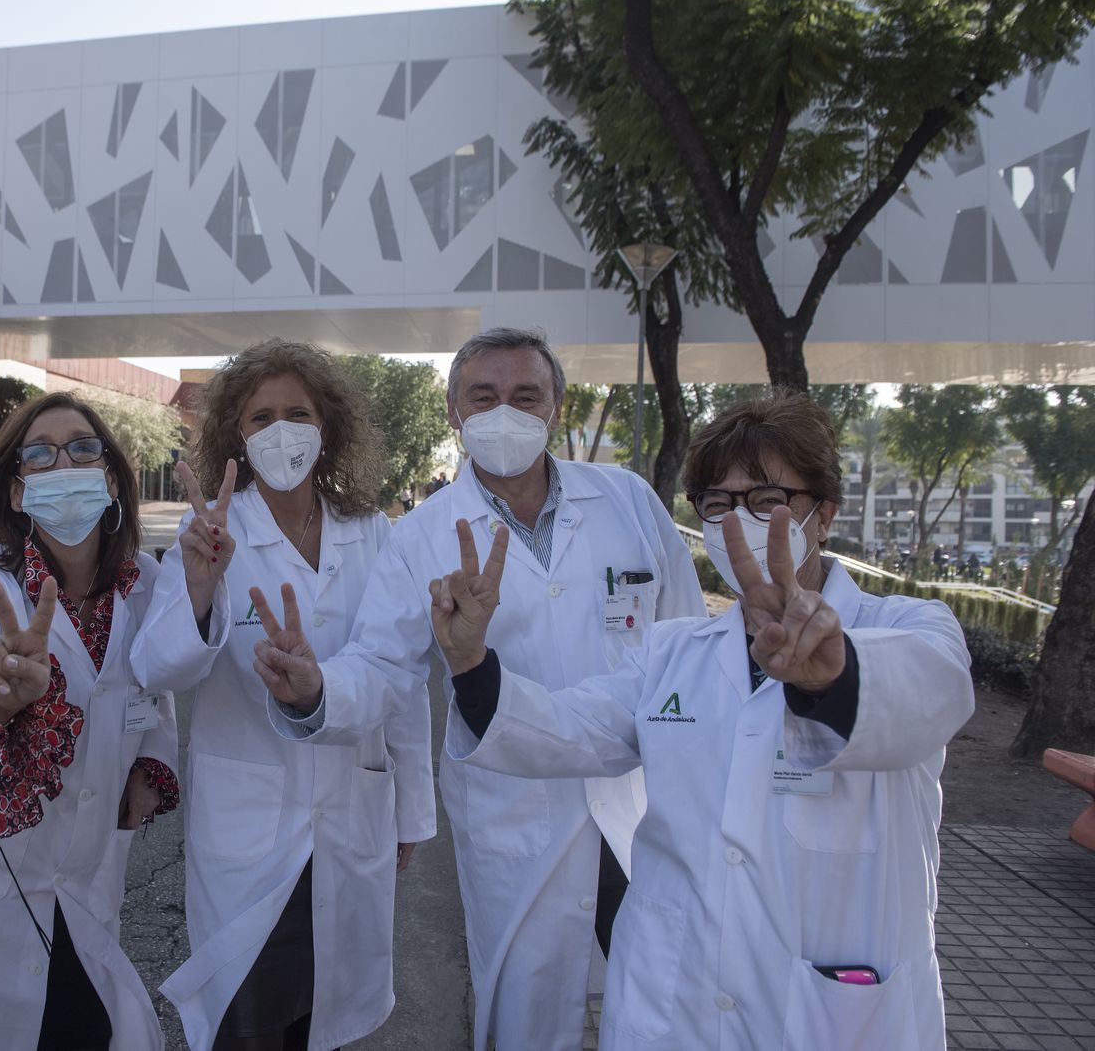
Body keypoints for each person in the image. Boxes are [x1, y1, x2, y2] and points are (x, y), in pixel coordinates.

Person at [429, 393, 973, 1050]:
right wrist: (470, 663)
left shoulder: (904, 630)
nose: (738, 521)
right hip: (672, 1003)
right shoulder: (674, 654)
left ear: (823, 514)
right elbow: (567, 726)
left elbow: (929, 697)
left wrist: (829, 675)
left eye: (767, 500)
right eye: (718, 504)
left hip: (824, 1010)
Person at [243, 327, 704, 1050]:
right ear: (454, 412)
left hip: (638, 800)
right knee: (525, 1018)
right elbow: (383, 666)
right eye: (483, 397)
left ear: (557, 408)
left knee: (670, 1005)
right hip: (518, 812)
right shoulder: (422, 535)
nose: (504, 412)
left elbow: (690, 647)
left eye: (526, 395)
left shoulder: (630, 503)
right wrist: (316, 692)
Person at [129, 339, 435, 1051]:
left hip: (352, 809)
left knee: (323, 1011)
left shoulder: (371, 532)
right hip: (251, 824)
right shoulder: (209, 531)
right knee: (250, 1014)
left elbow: (406, 678)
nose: (281, 431)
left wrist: (412, 809)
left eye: (298, 413)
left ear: (326, 427)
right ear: (237, 433)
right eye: (261, 416)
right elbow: (158, 669)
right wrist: (201, 589)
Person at [0, 391, 180, 1051]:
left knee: (85, 1028)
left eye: (83, 449)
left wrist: (154, 763)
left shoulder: (144, 581)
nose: (64, 466)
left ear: (113, 478)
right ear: (15, 488)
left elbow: (161, 675)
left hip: (92, 873)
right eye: (40, 454)